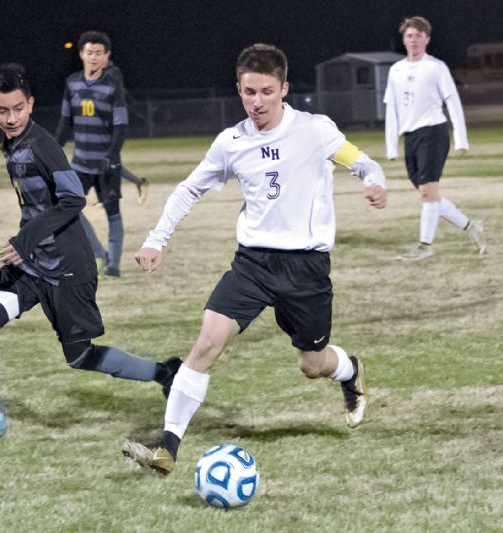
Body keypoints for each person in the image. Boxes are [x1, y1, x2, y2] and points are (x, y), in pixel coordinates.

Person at [121, 43, 387, 475]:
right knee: (206, 344)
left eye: (266, 91)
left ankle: (351, 370)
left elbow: (362, 163)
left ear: (284, 88)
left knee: (312, 364)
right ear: (239, 90)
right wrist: (156, 239)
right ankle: (167, 447)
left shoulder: (315, 130)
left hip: (306, 268)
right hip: (253, 264)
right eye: (248, 92)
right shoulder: (232, 142)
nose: (257, 101)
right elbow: (189, 188)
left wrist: (374, 182)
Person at [0, 64, 180, 443]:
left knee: (80, 357)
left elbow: (73, 199)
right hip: (34, 264)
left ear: (31, 105)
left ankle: (165, 373)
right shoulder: (13, 146)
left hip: (68, 267)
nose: (11, 118)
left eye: (18, 108)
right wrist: (27, 244)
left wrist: (25, 239)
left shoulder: (41, 145)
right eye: (2, 110)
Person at [384, 16, 486, 261]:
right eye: (410, 35)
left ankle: (425, 247)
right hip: (411, 137)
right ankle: (471, 226)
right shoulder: (395, 70)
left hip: (434, 132)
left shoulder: (436, 67)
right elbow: (391, 107)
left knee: (429, 192)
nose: (414, 40)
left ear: (427, 39)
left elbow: (453, 100)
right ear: (404, 40)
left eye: (419, 35)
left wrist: (461, 138)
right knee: (430, 196)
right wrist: (391, 146)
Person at [55, 31, 126, 277]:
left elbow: (121, 125)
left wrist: (112, 155)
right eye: (89, 53)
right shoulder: (71, 83)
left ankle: (114, 265)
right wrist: (54, 149)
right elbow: (65, 121)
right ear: (81, 55)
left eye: (98, 53)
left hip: (106, 164)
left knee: (112, 212)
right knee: (67, 207)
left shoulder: (113, 86)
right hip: (81, 163)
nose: (93, 57)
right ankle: (99, 253)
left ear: (106, 56)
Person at [102, 50, 149, 205]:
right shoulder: (107, 73)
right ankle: (135, 184)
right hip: (107, 124)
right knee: (111, 162)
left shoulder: (112, 72)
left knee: (111, 161)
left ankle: (110, 195)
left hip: (113, 125)